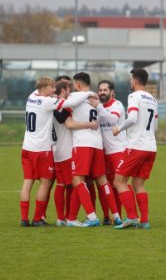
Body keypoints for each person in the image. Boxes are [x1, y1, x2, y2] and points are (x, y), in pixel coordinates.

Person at [19, 76, 93, 227]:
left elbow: (43, 91)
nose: (53, 90)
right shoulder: (48, 102)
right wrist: (88, 93)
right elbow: (70, 103)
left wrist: (52, 93)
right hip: (41, 149)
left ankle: (24, 218)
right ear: (44, 88)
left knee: (27, 183)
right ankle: (38, 218)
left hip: (26, 147)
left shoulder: (31, 96)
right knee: (46, 183)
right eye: (51, 87)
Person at [66, 72, 122, 227]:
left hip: (82, 143)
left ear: (77, 85)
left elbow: (63, 105)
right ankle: (116, 215)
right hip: (97, 143)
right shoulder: (96, 99)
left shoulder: (75, 98)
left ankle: (91, 217)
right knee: (103, 181)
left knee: (78, 180)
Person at [112, 68, 158, 230]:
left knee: (119, 181)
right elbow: (155, 126)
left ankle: (131, 217)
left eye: (131, 80)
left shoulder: (134, 96)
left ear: (136, 81)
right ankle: (144, 220)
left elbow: (132, 118)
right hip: (151, 147)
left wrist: (119, 128)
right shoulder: (153, 99)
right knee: (138, 184)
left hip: (136, 146)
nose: (130, 82)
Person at [51, 78, 98, 227]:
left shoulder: (50, 103)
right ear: (63, 90)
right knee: (77, 183)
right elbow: (69, 123)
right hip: (66, 150)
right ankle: (72, 218)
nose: (71, 93)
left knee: (62, 185)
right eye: (68, 89)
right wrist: (90, 124)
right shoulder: (62, 105)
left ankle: (62, 218)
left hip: (56, 149)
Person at [89, 79, 130, 224]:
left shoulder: (117, 105)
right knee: (104, 186)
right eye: (100, 90)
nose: (102, 93)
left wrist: (99, 107)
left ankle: (129, 215)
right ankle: (108, 216)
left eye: (105, 90)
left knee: (120, 184)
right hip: (103, 152)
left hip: (119, 150)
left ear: (112, 92)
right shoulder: (96, 108)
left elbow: (112, 119)